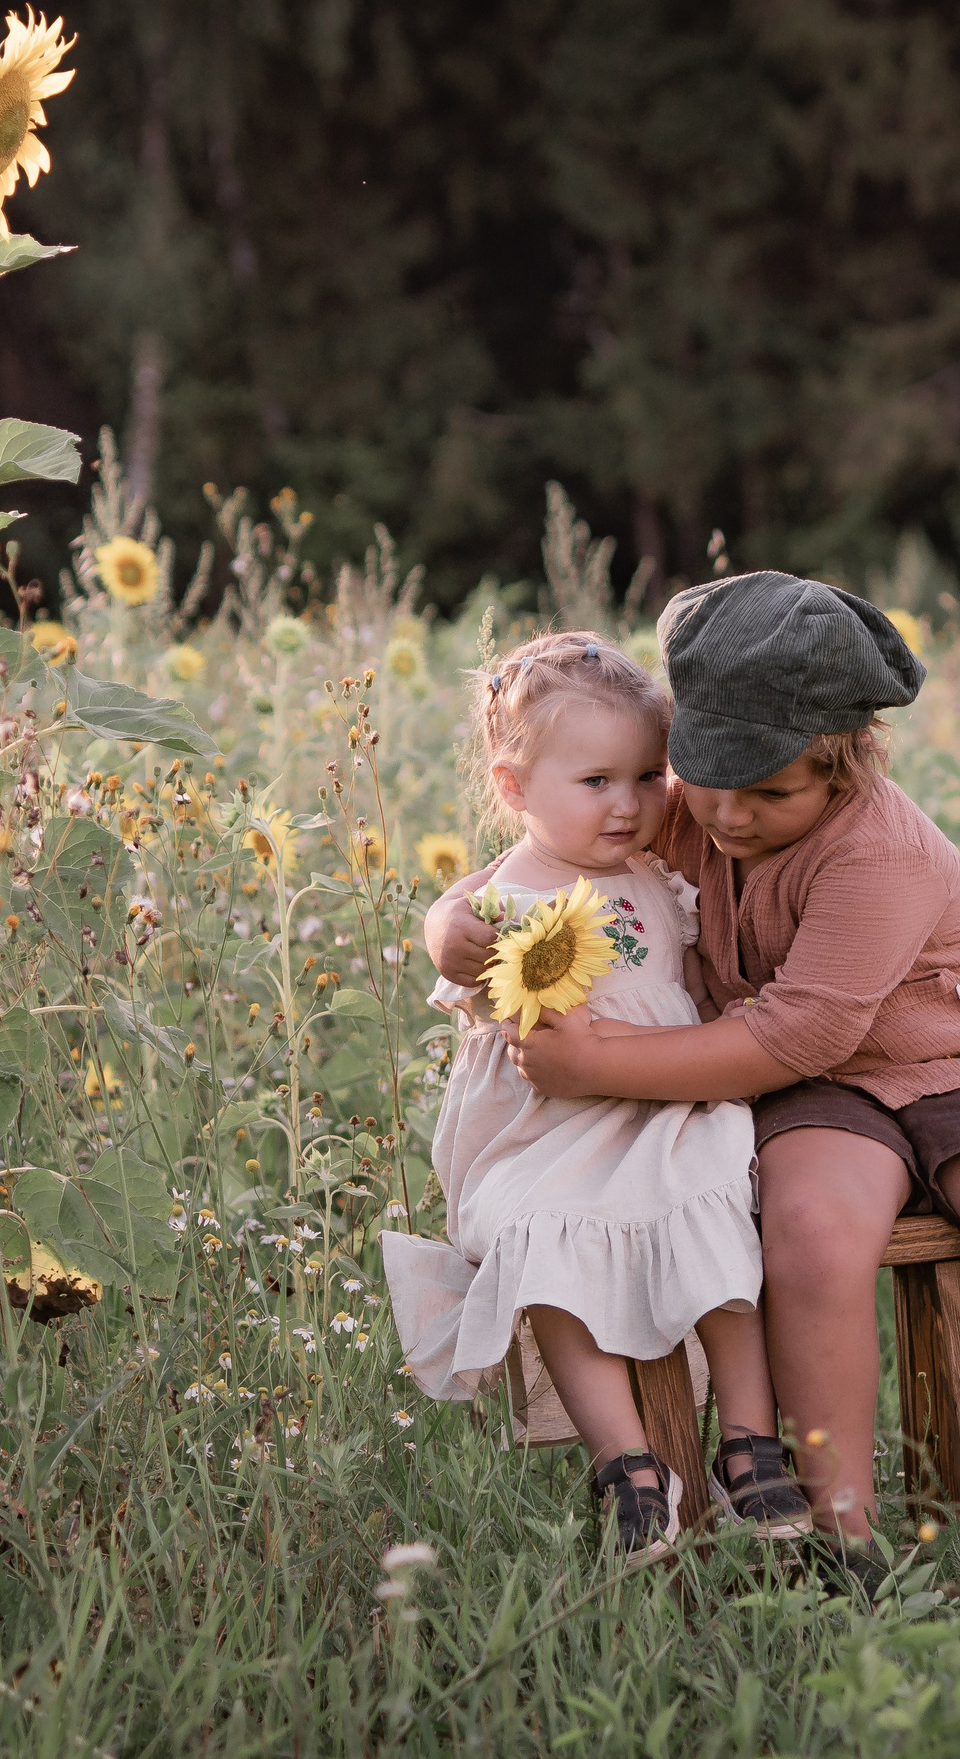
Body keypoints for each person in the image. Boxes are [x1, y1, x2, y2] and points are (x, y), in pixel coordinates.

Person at [425, 575, 960, 1606]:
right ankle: (842, 1538)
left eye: (770, 794)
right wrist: (450, 924)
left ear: (847, 762)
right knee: (814, 1231)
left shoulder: (882, 851)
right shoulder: (681, 804)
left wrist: (594, 1062)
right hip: (822, 1093)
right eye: (707, 779)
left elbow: (799, 1030)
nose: (727, 816)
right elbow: (524, 867)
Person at [381, 628, 814, 1565]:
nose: (628, 804)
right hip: (551, 1133)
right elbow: (474, 967)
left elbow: (698, 991)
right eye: (595, 782)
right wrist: (445, 925)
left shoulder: (660, 876)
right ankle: (628, 1466)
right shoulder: (500, 904)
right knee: (546, 1254)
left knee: (721, 1213)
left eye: (648, 776)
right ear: (512, 789)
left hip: (671, 1114)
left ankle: (750, 1439)